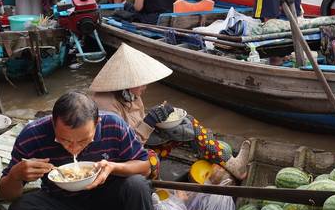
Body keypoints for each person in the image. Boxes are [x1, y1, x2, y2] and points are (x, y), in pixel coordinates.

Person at [0, 91, 157, 210]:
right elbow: (8, 193)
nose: (73, 148)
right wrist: (17, 174)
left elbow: (145, 166)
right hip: (62, 201)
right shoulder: (33, 134)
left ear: (97, 124)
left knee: (138, 185)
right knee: (22, 207)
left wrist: (114, 167)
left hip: (107, 197)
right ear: (53, 124)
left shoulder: (113, 125)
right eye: (64, 140)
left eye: (83, 140)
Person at [90, 43, 232, 176]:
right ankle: (153, 190)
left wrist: (159, 117)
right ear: (127, 82)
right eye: (142, 82)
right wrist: (150, 121)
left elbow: (138, 121)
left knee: (188, 123)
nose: (145, 86)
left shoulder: (131, 94)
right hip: (120, 158)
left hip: (141, 141)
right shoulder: (105, 105)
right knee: (151, 160)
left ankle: (229, 162)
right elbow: (126, 146)